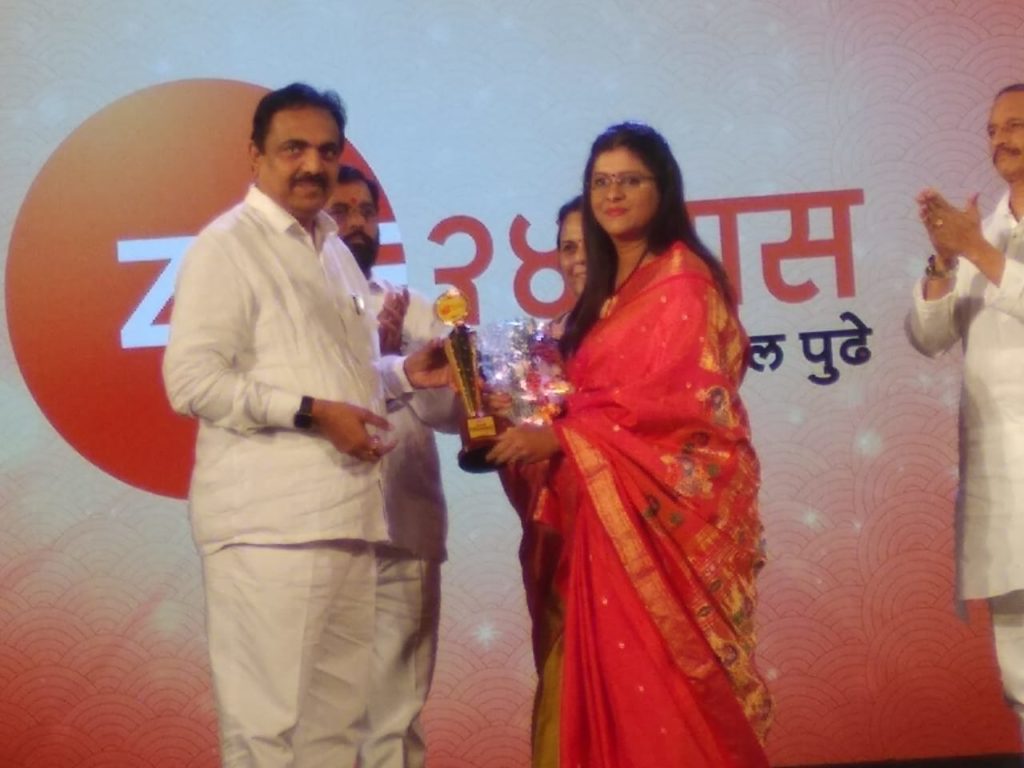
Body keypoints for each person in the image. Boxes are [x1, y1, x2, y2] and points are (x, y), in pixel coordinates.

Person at [162, 83, 447, 768]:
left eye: (326, 150)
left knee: (331, 738)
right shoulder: (227, 246)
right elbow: (192, 381)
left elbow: (339, 377)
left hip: (349, 521)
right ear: (255, 155)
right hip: (270, 529)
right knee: (270, 737)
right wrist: (314, 413)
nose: (312, 165)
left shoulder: (332, 250)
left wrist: (404, 375)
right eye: (293, 149)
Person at [487, 122, 773, 767]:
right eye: (600, 182)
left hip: (659, 526)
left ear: (661, 188)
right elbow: (589, 399)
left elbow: (677, 405)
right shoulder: (606, 297)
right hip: (598, 526)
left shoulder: (682, 282)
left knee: (663, 699)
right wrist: (518, 415)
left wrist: (559, 437)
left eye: (629, 181)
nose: (612, 195)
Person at [326, 164, 458, 768]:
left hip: (405, 528)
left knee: (395, 718)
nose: (358, 224)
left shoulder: (415, 310)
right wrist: (379, 364)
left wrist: (405, 356)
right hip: (327, 533)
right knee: (324, 718)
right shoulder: (301, 315)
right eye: (341, 212)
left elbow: (454, 415)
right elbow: (308, 403)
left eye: (366, 212)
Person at [907, 83, 1024, 737]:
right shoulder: (990, 229)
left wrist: (977, 249)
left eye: (1015, 125)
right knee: (1020, 670)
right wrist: (944, 257)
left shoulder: (988, 241)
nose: (1000, 139)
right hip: (999, 481)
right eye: (991, 129)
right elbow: (929, 336)